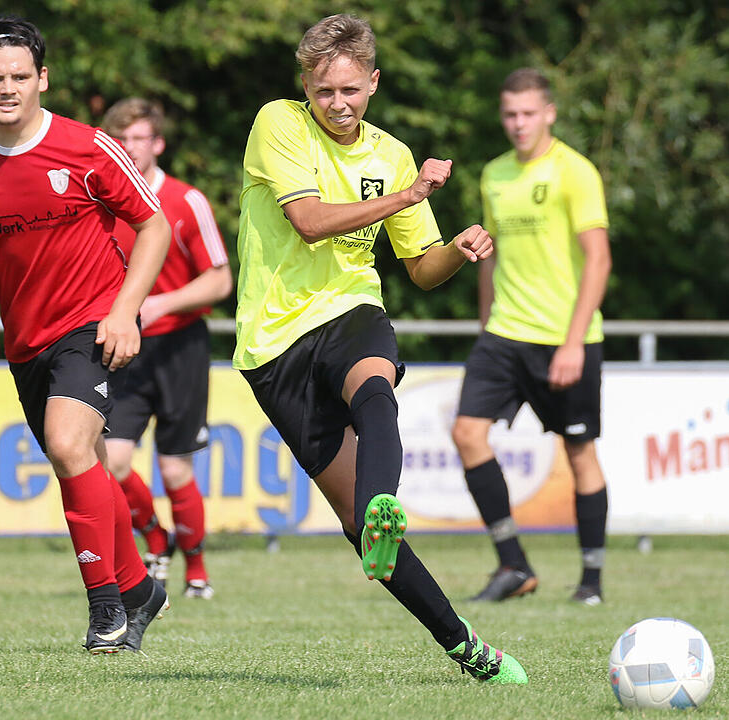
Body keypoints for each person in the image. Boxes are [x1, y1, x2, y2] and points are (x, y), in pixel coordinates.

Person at [234, 14, 527, 684]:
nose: (336, 103)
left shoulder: (391, 156)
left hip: (350, 307)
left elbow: (420, 266)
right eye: (323, 90)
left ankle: (381, 507)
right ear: (305, 85)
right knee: (359, 532)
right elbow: (307, 222)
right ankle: (463, 643)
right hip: (274, 343)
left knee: (374, 384)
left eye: (349, 90)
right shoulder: (278, 122)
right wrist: (411, 193)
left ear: (373, 81)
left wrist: (457, 247)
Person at [0, 17, 172, 653]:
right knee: (84, 464)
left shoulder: (88, 147)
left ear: (42, 79)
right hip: (26, 339)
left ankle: (105, 612)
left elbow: (152, 227)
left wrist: (126, 310)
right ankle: (137, 590)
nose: (9, 88)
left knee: (68, 442)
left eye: (21, 76)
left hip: (92, 321)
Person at [451, 68, 612, 606]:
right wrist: (484, 324)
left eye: (527, 114)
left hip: (566, 337)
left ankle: (590, 582)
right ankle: (513, 565)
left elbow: (598, 259)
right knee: (467, 433)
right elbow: (487, 259)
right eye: (509, 114)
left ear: (549, 113)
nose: (517, 124)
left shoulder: (576, 172)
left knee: (579, 451)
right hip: (504, 335)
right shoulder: (493, 173)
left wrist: (572, 342)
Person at [101, 98, 233, 599]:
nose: (131, 149)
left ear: (157, 143)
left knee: (176, 467)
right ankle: (155, 536)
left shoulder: (185, 200)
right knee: (112, 462)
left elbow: (219, 281)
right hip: (124, 347)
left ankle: (195, 566)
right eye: (122, 140)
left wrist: (161, 305)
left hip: (180, 346)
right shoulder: (103, 201)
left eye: (140, 139)